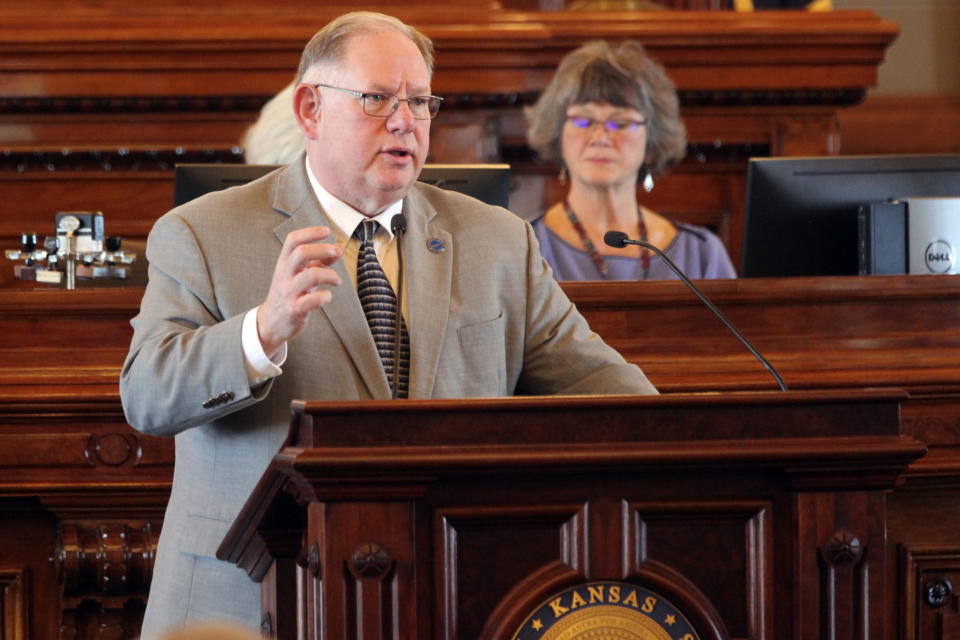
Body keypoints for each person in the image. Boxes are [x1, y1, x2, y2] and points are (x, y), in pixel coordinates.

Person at [119, 11, 657, 638]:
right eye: (377, 99)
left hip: (444, 594)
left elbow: (615, 396)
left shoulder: (497, 241)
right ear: (310, 109)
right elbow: (147, 397)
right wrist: (261, 332)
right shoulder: (202, 233)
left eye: (421, 101)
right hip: (248, 601)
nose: (405, 119)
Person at [525, 40, 736, 281]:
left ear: (651, 141)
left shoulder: (701, 253)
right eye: (584, 121)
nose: (600, 137)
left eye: (620, 123)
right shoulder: (525, 249)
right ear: (558, 134)